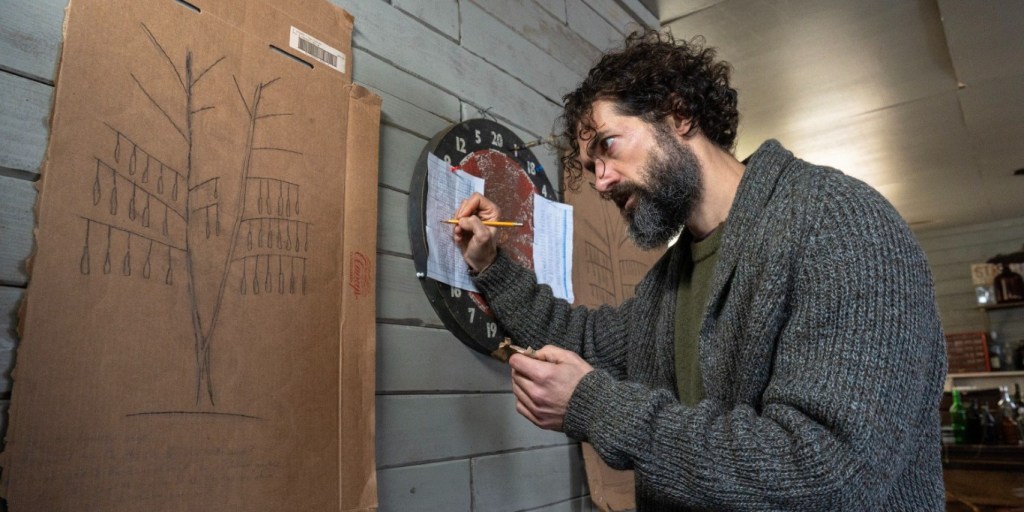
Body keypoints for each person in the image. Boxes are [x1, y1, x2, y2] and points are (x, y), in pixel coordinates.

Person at [452, 30, 946, 510]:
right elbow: (580, 340)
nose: (599, 182)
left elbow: (824, 475)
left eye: (607, 145)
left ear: (679, 114)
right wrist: (492, 264)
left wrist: (596, 407)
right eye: (589, 165)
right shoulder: (667, 284)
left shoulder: (837, 220)